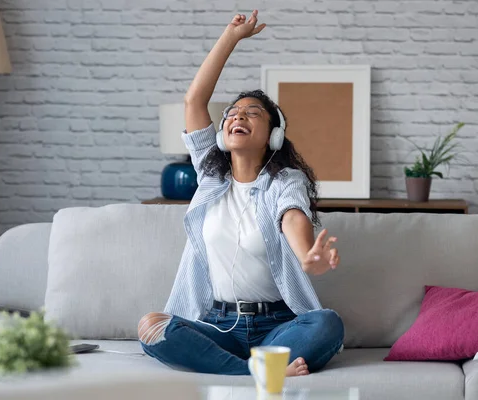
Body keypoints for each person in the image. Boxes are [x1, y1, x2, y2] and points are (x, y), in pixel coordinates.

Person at [138, 10, 344, 377]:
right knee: (152, 327)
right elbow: (194, 103)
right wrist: (230, 37)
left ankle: (251, 366)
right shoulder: (209, 175)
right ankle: (255, 371)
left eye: (252, 114)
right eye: (233, 114)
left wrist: (306, 255)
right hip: (218, 326)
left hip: (278, 325)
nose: (238, 118)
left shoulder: (285, 180)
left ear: (273, 137)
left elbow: (292, 214)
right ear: (221, 133)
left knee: (327, 325)